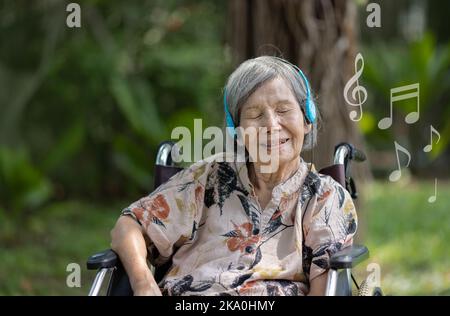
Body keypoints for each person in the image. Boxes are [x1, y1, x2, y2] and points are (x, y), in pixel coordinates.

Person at [110, 56, 358, 296]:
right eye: (255, 114)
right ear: (237, 130)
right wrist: (143, 282)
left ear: (307, 120)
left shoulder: (325, 198)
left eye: (283, 110)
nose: (271, 125)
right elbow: (130, 226)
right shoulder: (208, 177)